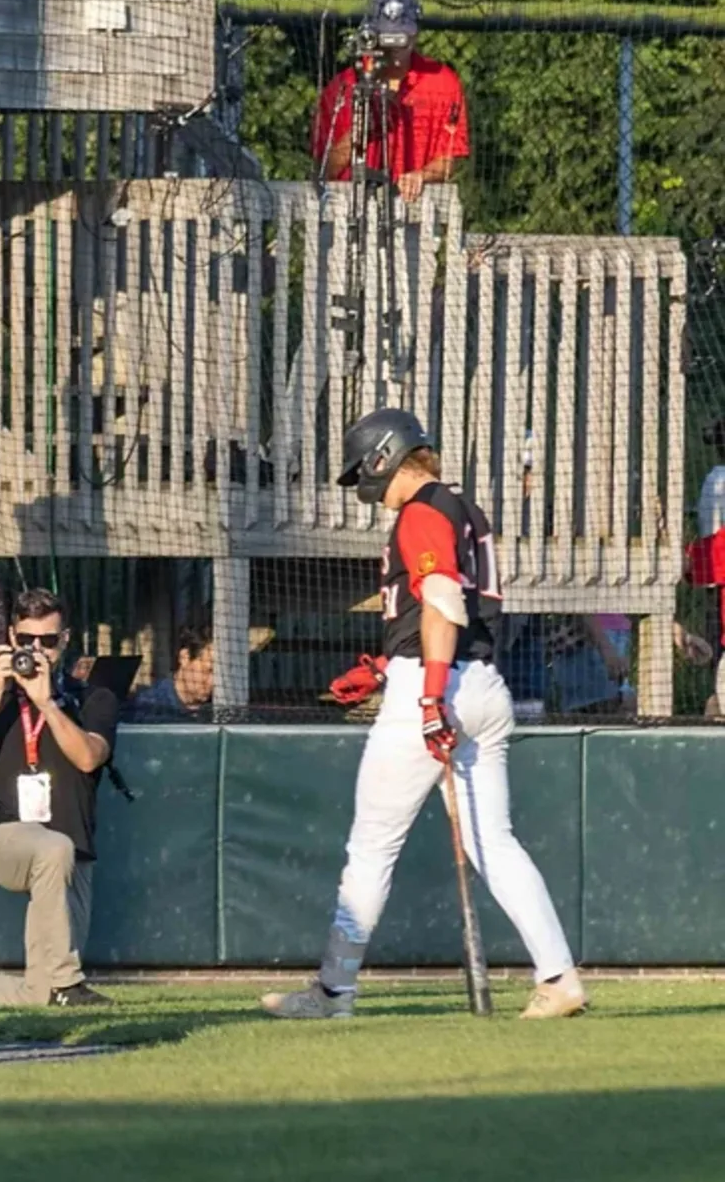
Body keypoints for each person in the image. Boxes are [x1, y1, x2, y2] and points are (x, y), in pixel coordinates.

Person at [267, 408, 586, 1020]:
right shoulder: (463, 509)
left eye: (367, 472)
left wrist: (428, 694)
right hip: (483, 686)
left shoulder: (421, 512)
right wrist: (389, 668)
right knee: (495, 841)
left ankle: (333, 992)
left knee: (371, 847)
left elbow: (441, 603)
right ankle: (559, 977)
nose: (369, 488)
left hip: (436, 684)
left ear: (385, 458)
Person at [0, 588, 118, 1006]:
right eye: (26, 641)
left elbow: (88, 758)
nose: (36, 651)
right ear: (10, 637)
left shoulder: (91, 698)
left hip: (71, 850)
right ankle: (67, 981)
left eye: (47, 641)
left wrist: (49, 705)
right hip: (10, 838)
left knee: (36, 995)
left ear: (65, 640)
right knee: (51, 847)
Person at [311, 0, 469, 206]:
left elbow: (449, 159)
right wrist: (358, 132)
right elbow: (323, 170)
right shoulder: (343, 86)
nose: (395, 45)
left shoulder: (441, 82)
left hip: (414, 209)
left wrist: (420, 175)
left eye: (402, 35)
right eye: (387, 35)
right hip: (345, 211)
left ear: (416, 33)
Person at [130, 625, 214, 719]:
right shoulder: (149, 707)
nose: (212, 682)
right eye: (208, 671)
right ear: (185, 657)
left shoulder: (217, 707)